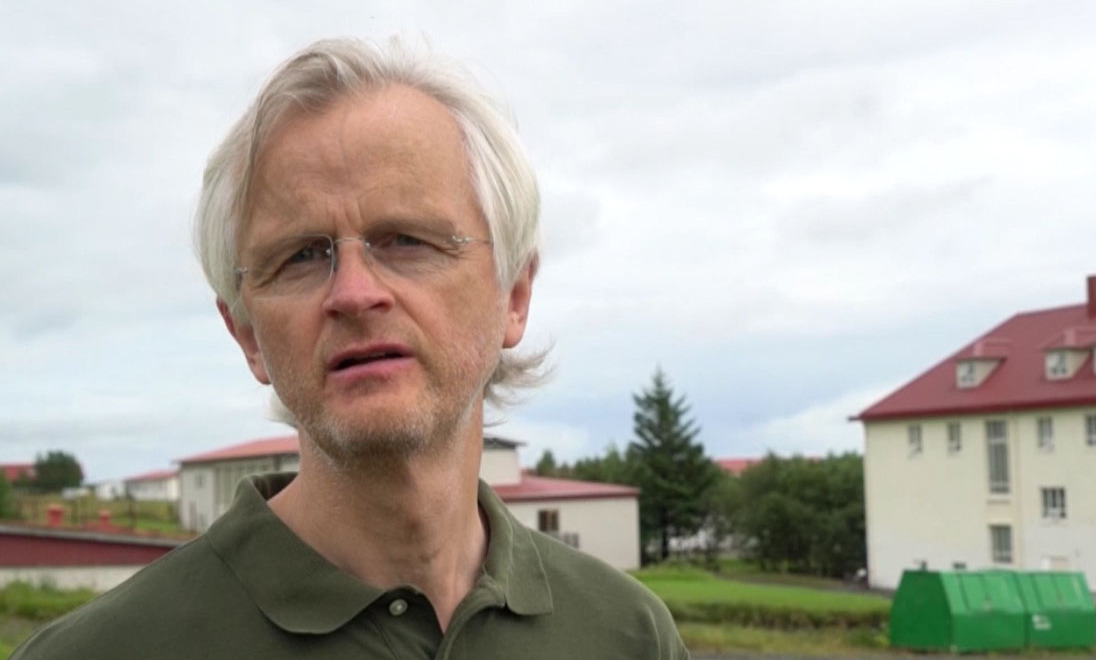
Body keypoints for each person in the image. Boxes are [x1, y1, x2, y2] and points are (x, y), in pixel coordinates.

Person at [13, 37, 688, 659]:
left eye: (407, 240)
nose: (355, 293)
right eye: (302, 256)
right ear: (246, 333)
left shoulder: (626, 635)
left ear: (514, 293)